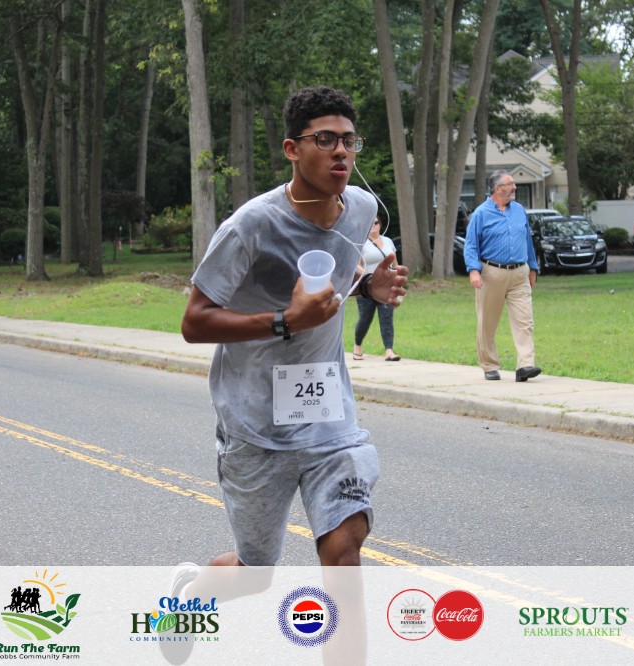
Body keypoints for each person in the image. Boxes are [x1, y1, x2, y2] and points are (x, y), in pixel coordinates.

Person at [175, 85, 408, 664]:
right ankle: (189, 597)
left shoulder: (360, 208)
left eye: (348, 141)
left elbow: (342, 272)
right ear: (291, 149)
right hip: (256, 424)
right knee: (255, 574)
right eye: (324, 140)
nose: (340, 152)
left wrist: (370, 287)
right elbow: (194, 322)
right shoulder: (250, 226)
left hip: (330, 420)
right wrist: (285, 321)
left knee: (344, 554)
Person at [463, 169, 542, 382]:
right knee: (487, 323)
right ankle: (490, 365)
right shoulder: (481, 214)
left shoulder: (519, 211)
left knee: (525, 321)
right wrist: (473, 270)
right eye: (511, 184)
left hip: (519, 274)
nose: (515, 187)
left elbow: (527, 241)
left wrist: (532, 268)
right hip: (491, 274)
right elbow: (471, 245)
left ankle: (525, 365)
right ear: (498, 188)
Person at [352, 217, 400, 361]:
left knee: (386, 318)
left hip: (386, 287)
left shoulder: (388, 241)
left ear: (380, 225)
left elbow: (395, 263)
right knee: (365, 318)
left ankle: (389, 351)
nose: (373, 225)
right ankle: (357, 347)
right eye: (370, 223)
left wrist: (398, 279)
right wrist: (369, 277)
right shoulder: (361, 243)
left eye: (376, 222)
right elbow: (357, 265)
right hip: (366, 287)